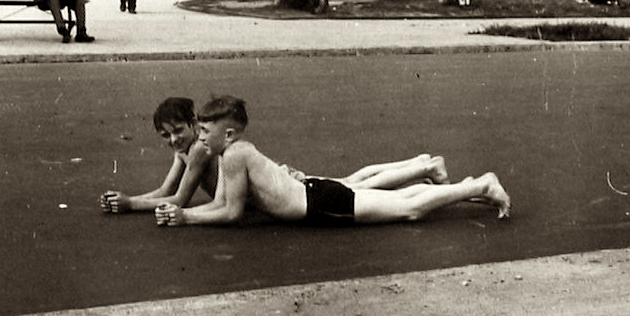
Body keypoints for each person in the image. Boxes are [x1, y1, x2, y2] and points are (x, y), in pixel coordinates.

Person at [153, 96, 510, 227]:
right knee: (402, 200)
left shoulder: (234, 155)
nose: (200, 138)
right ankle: (465, 185)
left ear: (228, 134)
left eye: (205, 131)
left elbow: (232, 214)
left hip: (321, 204)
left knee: (409, 210)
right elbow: (220, 204)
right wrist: (184, 214)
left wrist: (186, 217)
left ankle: (480, 185)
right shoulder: (232, 153)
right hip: (316, 195)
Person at [100, 97, 453, 214]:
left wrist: (130, 204)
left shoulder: (199, 151)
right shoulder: (195, 148)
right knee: (354, 183)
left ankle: (425, 167)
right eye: (166, 136)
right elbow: (166, 192)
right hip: (277, 189)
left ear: (194, 125)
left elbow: (179, 198)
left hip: (282, 191)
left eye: (179, 131)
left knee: (355, 185)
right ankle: (421, 164)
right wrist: (131, 199)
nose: (174, 140)